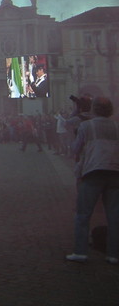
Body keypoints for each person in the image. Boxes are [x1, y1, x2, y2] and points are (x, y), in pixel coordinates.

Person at [66, 96, 119, 264]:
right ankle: (113, 254)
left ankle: (81, 252)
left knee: (83, 214)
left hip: (93, 171)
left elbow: (75, 149)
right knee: (114, 216)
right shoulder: (117, 126)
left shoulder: (86, 126)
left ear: (93, 109)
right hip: (115, 173)